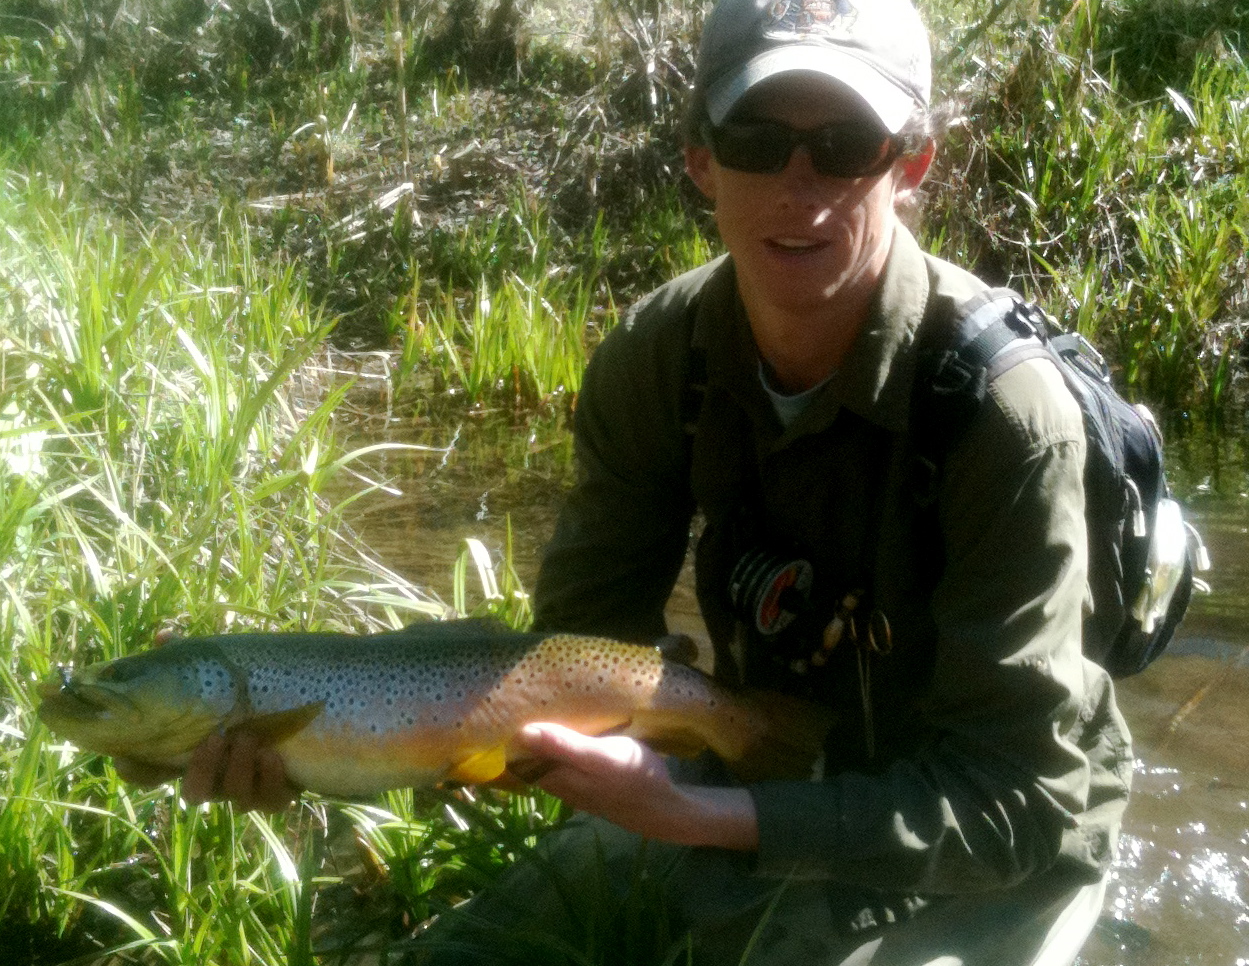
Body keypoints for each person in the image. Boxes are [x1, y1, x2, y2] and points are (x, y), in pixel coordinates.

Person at [161, 0, 1134, 961]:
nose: (801, 185)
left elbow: (1020, 807)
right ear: (701, 157)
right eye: (757, 138)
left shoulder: (1006, 420)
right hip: (739, 772)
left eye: (844, 143)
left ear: (909, 162)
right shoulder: (658, 360)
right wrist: (338, 755)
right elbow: (575, 649)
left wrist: (707, 816)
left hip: (980, 842)